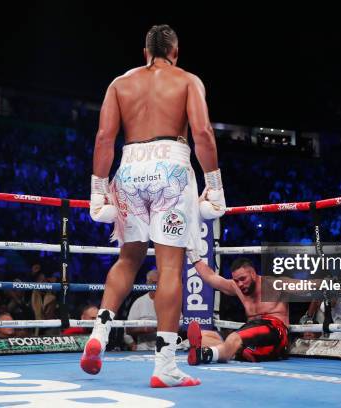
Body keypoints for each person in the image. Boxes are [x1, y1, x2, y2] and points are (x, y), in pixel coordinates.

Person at [81, 24, 225, 388]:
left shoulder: (120, 84)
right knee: (170, 268)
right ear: (175, 52)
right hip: (171, 168)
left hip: (128, 170)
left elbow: (103, 137)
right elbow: (204, 133)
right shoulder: (187, 80)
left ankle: (98, 331)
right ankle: (164, 367)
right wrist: (214, 185)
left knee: (127, 259)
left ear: (145, 52)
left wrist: (98, 191)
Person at [186, 258, 289, 365]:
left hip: (275, 332)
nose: (240, 284)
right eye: (236, 280)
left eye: (243, 279)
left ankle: (205, 354)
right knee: (203, 336)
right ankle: (231, 351)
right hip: (249, 333)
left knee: (234, 338)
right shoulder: (237, 287)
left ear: (253, 274)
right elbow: (210, 277)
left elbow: (307, 287)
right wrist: (193, 256)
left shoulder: (275, 284)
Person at [126, 270, 158, 350]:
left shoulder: (170, 301)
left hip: (167, 348)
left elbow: (181, 325)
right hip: (143, 349)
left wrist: (164, 327)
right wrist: (146, 329)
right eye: (154, 283)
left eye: (159, 283)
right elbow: (127, 330)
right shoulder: (139, 302)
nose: (157, 286)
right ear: (148, 284)